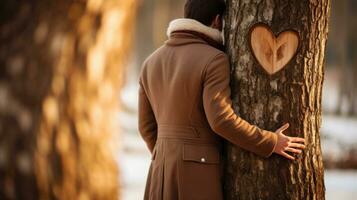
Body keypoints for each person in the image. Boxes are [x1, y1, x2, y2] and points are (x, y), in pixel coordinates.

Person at [138, 0, 306, 199]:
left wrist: (166, 156)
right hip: (197, 174)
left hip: (160, 172)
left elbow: (146, 127)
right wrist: (270, 142)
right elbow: (221, 120)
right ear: (218, 21)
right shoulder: (213, 58)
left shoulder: (150, 62)